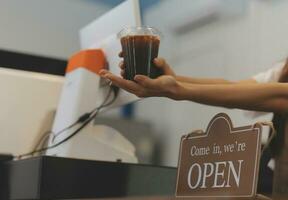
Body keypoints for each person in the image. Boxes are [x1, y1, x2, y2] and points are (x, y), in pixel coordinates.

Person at [99, 56, 288, 114]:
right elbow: (237, 88)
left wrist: (177, 89)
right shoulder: (283, 68)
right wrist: (172, 79)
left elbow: (280, 96)